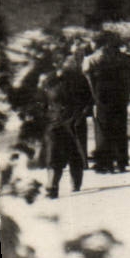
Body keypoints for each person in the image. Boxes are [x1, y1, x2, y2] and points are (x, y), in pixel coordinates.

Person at [41, 55, 93, 198]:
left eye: (72, 63)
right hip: (54, 121)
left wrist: (82, 114)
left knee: (74, 153)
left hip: (75, 120)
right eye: (65, 63)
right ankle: (52, 186)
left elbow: (89, 99)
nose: (69, 66)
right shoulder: (49, 80)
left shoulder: (80, 79)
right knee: (53, 153)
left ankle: (76, 181)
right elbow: (42, 102)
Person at [84, 35, 130, 173]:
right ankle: (121, 161)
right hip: (120, 97)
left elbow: (89, 82)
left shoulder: (92, 60)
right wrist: (127, 94)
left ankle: (106, 163)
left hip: (101, 99)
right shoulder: (127, 58)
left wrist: (93, 100)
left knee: (103, 130)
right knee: (120, 128)